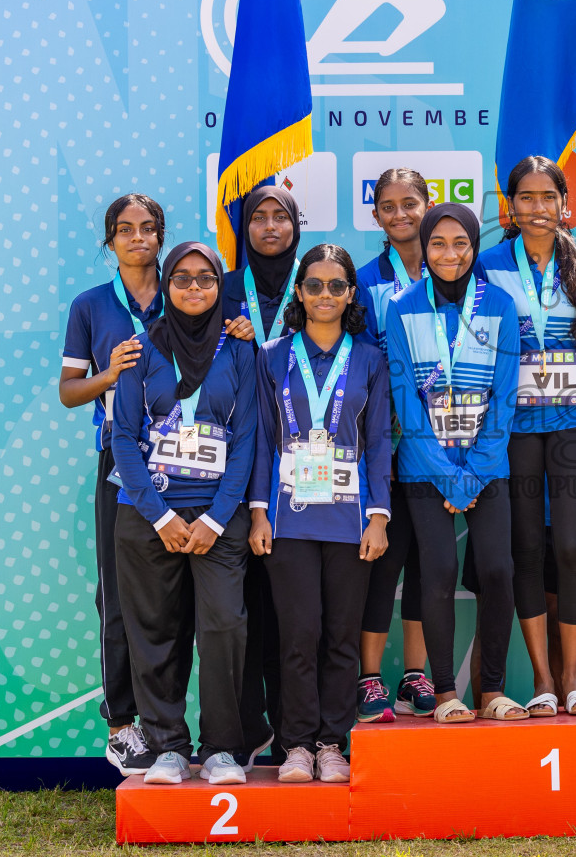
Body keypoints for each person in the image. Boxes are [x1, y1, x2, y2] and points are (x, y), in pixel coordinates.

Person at [109, 242, 257, 785]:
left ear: (220, 287)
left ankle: (221, 748)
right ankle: (169, 746)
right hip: (149, 517)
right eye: (182, 278)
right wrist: (161, 517)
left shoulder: (241, 349)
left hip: (218, 517)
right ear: (167, 285)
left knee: (224, 626)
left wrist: (217, 518)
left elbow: (247, 439)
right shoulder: (140, 349)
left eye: (206, 279)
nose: (194, 288)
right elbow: (123, 436)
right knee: (154, 631)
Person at [248, 244, 393, 783]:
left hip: (351, 521)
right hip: (287, 519)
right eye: (314, 285)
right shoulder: (272, 357)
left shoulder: (371, 360)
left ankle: (333, 743)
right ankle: (297, 747)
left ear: (351, 293)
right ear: (300, 292)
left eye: (337, 285)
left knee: (340, 637)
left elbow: (378, 443)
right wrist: (258, 513)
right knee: (298, 636)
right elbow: (263, 439)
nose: (325, 295)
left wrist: (378, 517)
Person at [384, 202, 524, 723]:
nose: (449, 254)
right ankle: (445, 693)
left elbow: (504, 399)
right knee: (438, 571)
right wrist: (448, 476)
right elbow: (405, 403)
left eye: (460, 243)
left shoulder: (501, 306)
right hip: (426, 467)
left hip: (486, 466)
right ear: (424, 246)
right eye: (438, 244)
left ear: (473, 246)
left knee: (498, 569)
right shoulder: (401, 308)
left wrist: (474, 473)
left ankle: (492, 691)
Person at [479, 156, 576, 717]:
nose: (536, 209)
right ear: (510, 207)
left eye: (546, 198)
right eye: (525, 198)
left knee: (571, 547)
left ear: (562, 204)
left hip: (574, 423)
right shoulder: (486, 266)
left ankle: (575, 678)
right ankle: (543, 679)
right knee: (527, 548)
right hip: (513, 428)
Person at [59, 193, 165, 775]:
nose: (136, 238)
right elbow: (67, 391)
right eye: (124, 230)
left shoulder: (185, 290)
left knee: (179, 599)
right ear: (110, 241)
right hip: (119, 464)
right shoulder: (91, 306)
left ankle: (173, 725)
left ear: (161, 236)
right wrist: (109, 373)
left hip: (186, 466)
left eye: (148, 229)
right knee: (119, 595)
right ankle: (123, 725)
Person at [219, 184, 301, 767]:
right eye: (258, 217)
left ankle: (297, 731)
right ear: (243, 228)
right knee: (241, 606)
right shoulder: (220, 289)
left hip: (306, 469)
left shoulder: (318, 282)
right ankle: (245, 730)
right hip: (233, 466)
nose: (269, 227)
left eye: (281, 217)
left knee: (292, 610)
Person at [353, 168, 434, 721]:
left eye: (412, 203)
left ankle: (416, 673)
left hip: (440, 439)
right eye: (389, 206)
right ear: (377, 214)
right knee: (383, 559)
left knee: (427, 560)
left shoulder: (453, 268)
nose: (401, 214)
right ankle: (369, 677)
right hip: (381, 439)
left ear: (429, 205)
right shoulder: (361, 279)